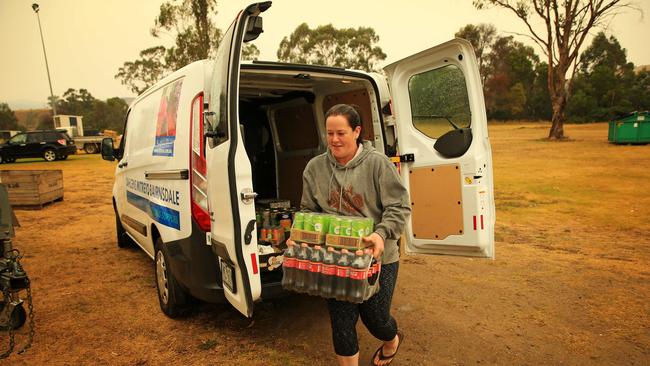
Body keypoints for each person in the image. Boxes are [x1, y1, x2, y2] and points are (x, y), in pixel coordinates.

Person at [289, 104, 411, 366]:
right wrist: (300, 234)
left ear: (357, 131)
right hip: (335, 257)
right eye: (329, 133)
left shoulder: (378, 164)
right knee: (342, 322)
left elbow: (399, 206)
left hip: (378, 256)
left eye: (341, 133)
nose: (334, 140)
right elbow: (308, 209)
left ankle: (391, 340)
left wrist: (381, 234)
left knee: (375, 317)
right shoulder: (314, 168)